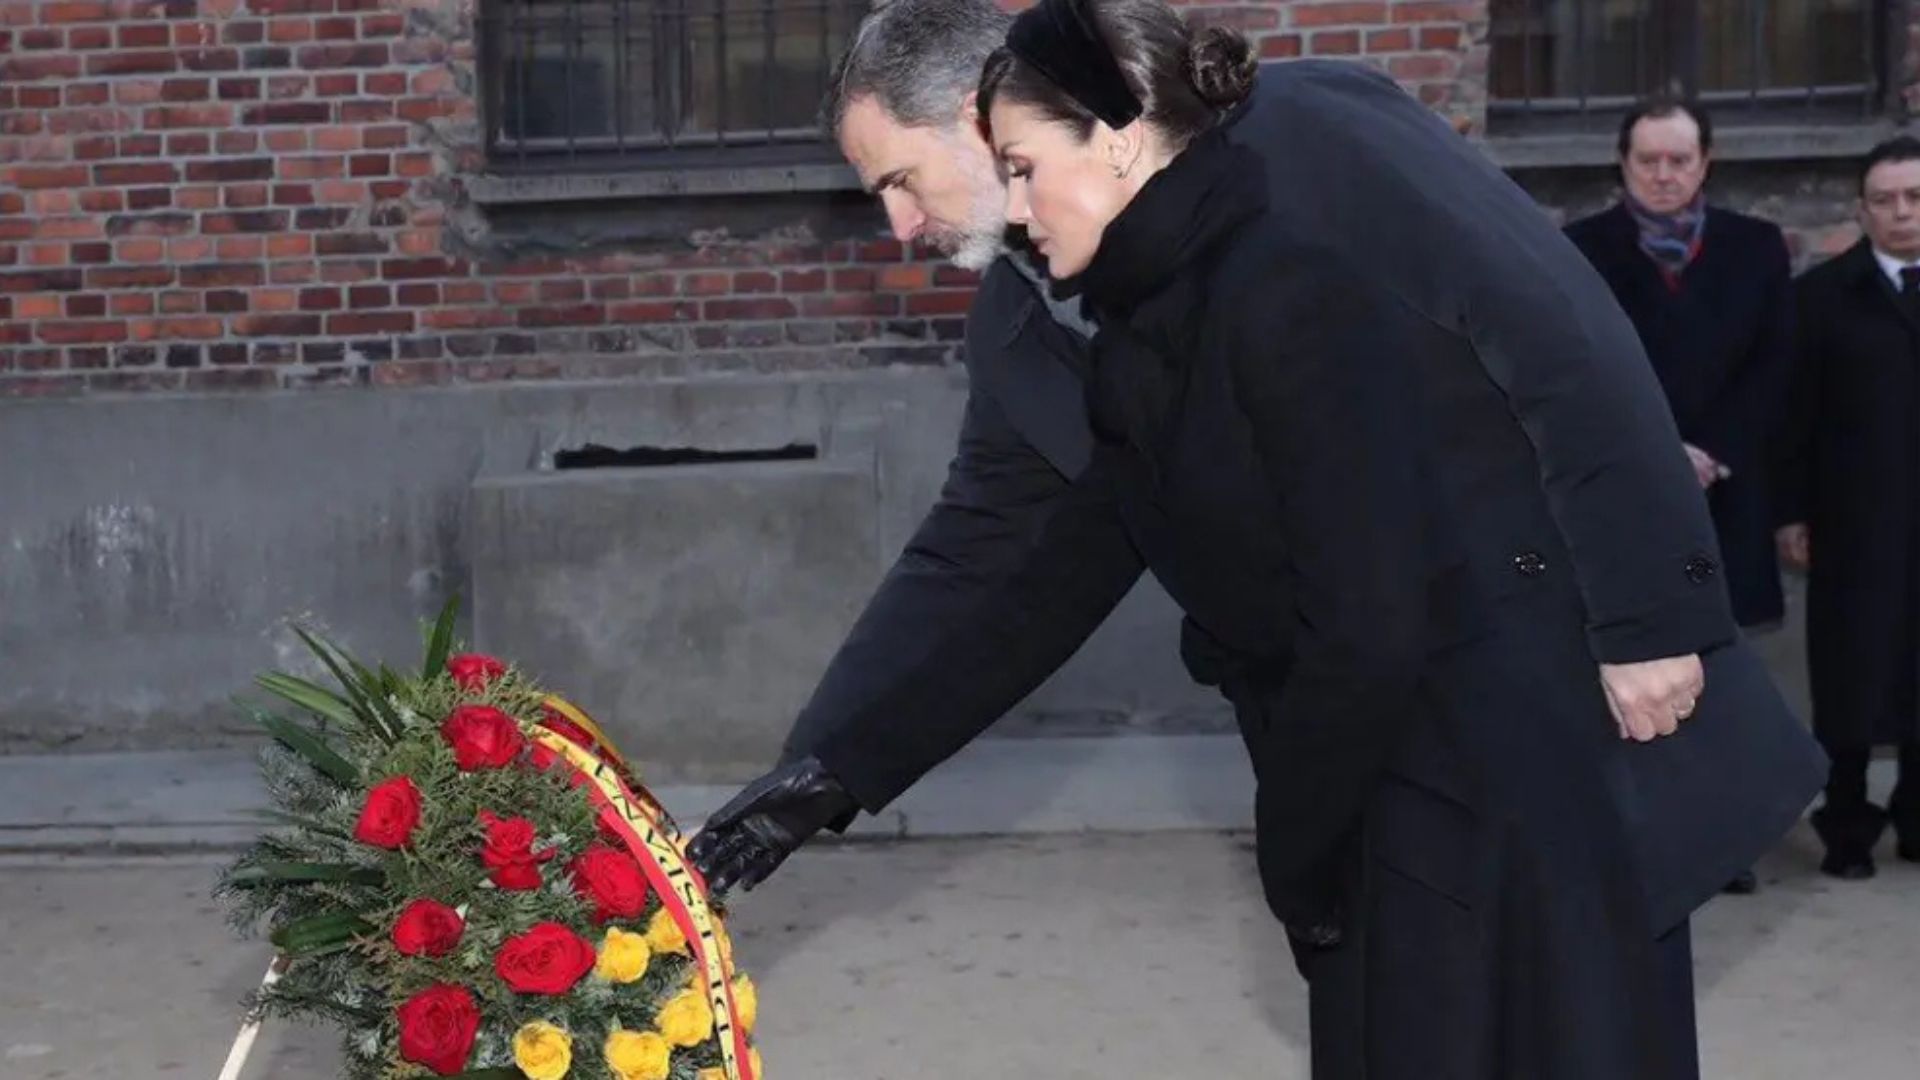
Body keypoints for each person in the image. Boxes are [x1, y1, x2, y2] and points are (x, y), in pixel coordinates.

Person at [690, 0, 1824, 1076]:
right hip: (1353, 732)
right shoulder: (1027, 315)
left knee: (1567, 1034)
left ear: (980, 118)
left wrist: (1654, 610)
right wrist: (829, 765)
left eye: (896, 179)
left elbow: (1558, 324)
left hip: (1532, 687)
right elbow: (997, 559)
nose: (896, 226)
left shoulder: (1312, 131)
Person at [1564, 99, 1797, 895]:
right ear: (1622, 164)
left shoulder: (1756, 248)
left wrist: (1712, 453)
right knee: (1634, 671)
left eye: (1679, 160)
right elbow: (1580, 373)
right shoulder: (1581, 251)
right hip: (1626, 499)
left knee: (1724, 671)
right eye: (1647, 161)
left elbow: (1775, 368)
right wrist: (1660, 455)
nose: (1663, 175)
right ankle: (1645, 840)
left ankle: (1725, 842)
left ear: (1707, 162)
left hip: (1726, 492)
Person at [1778, 135, 1920, 879]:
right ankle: (1846, 826)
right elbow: (1794, 415)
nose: (1902, 213)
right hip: (1856, 519)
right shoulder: (1823, 297)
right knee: (1850, 678)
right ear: (1862, 211)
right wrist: (1792, 510)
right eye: (1886, 200)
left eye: (1915, 198)